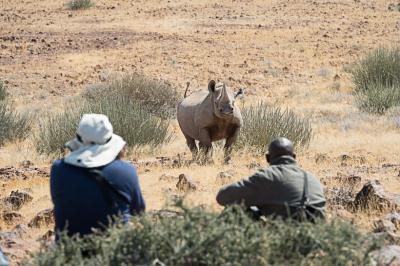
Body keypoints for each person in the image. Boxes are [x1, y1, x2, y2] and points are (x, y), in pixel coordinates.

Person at [50, 114, 145, 238]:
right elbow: (138, 212)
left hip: (71, 251)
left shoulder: (59, 170)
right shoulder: (126, 171)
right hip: (115, 249)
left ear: (79, 140)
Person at [216, 137, 326, 221]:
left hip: (286, 237)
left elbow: (222, 197)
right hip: (316, 237)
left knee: (233, 210)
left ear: (268, 158)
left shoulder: (268, 176)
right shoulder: (312, 178)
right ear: (294, 157)